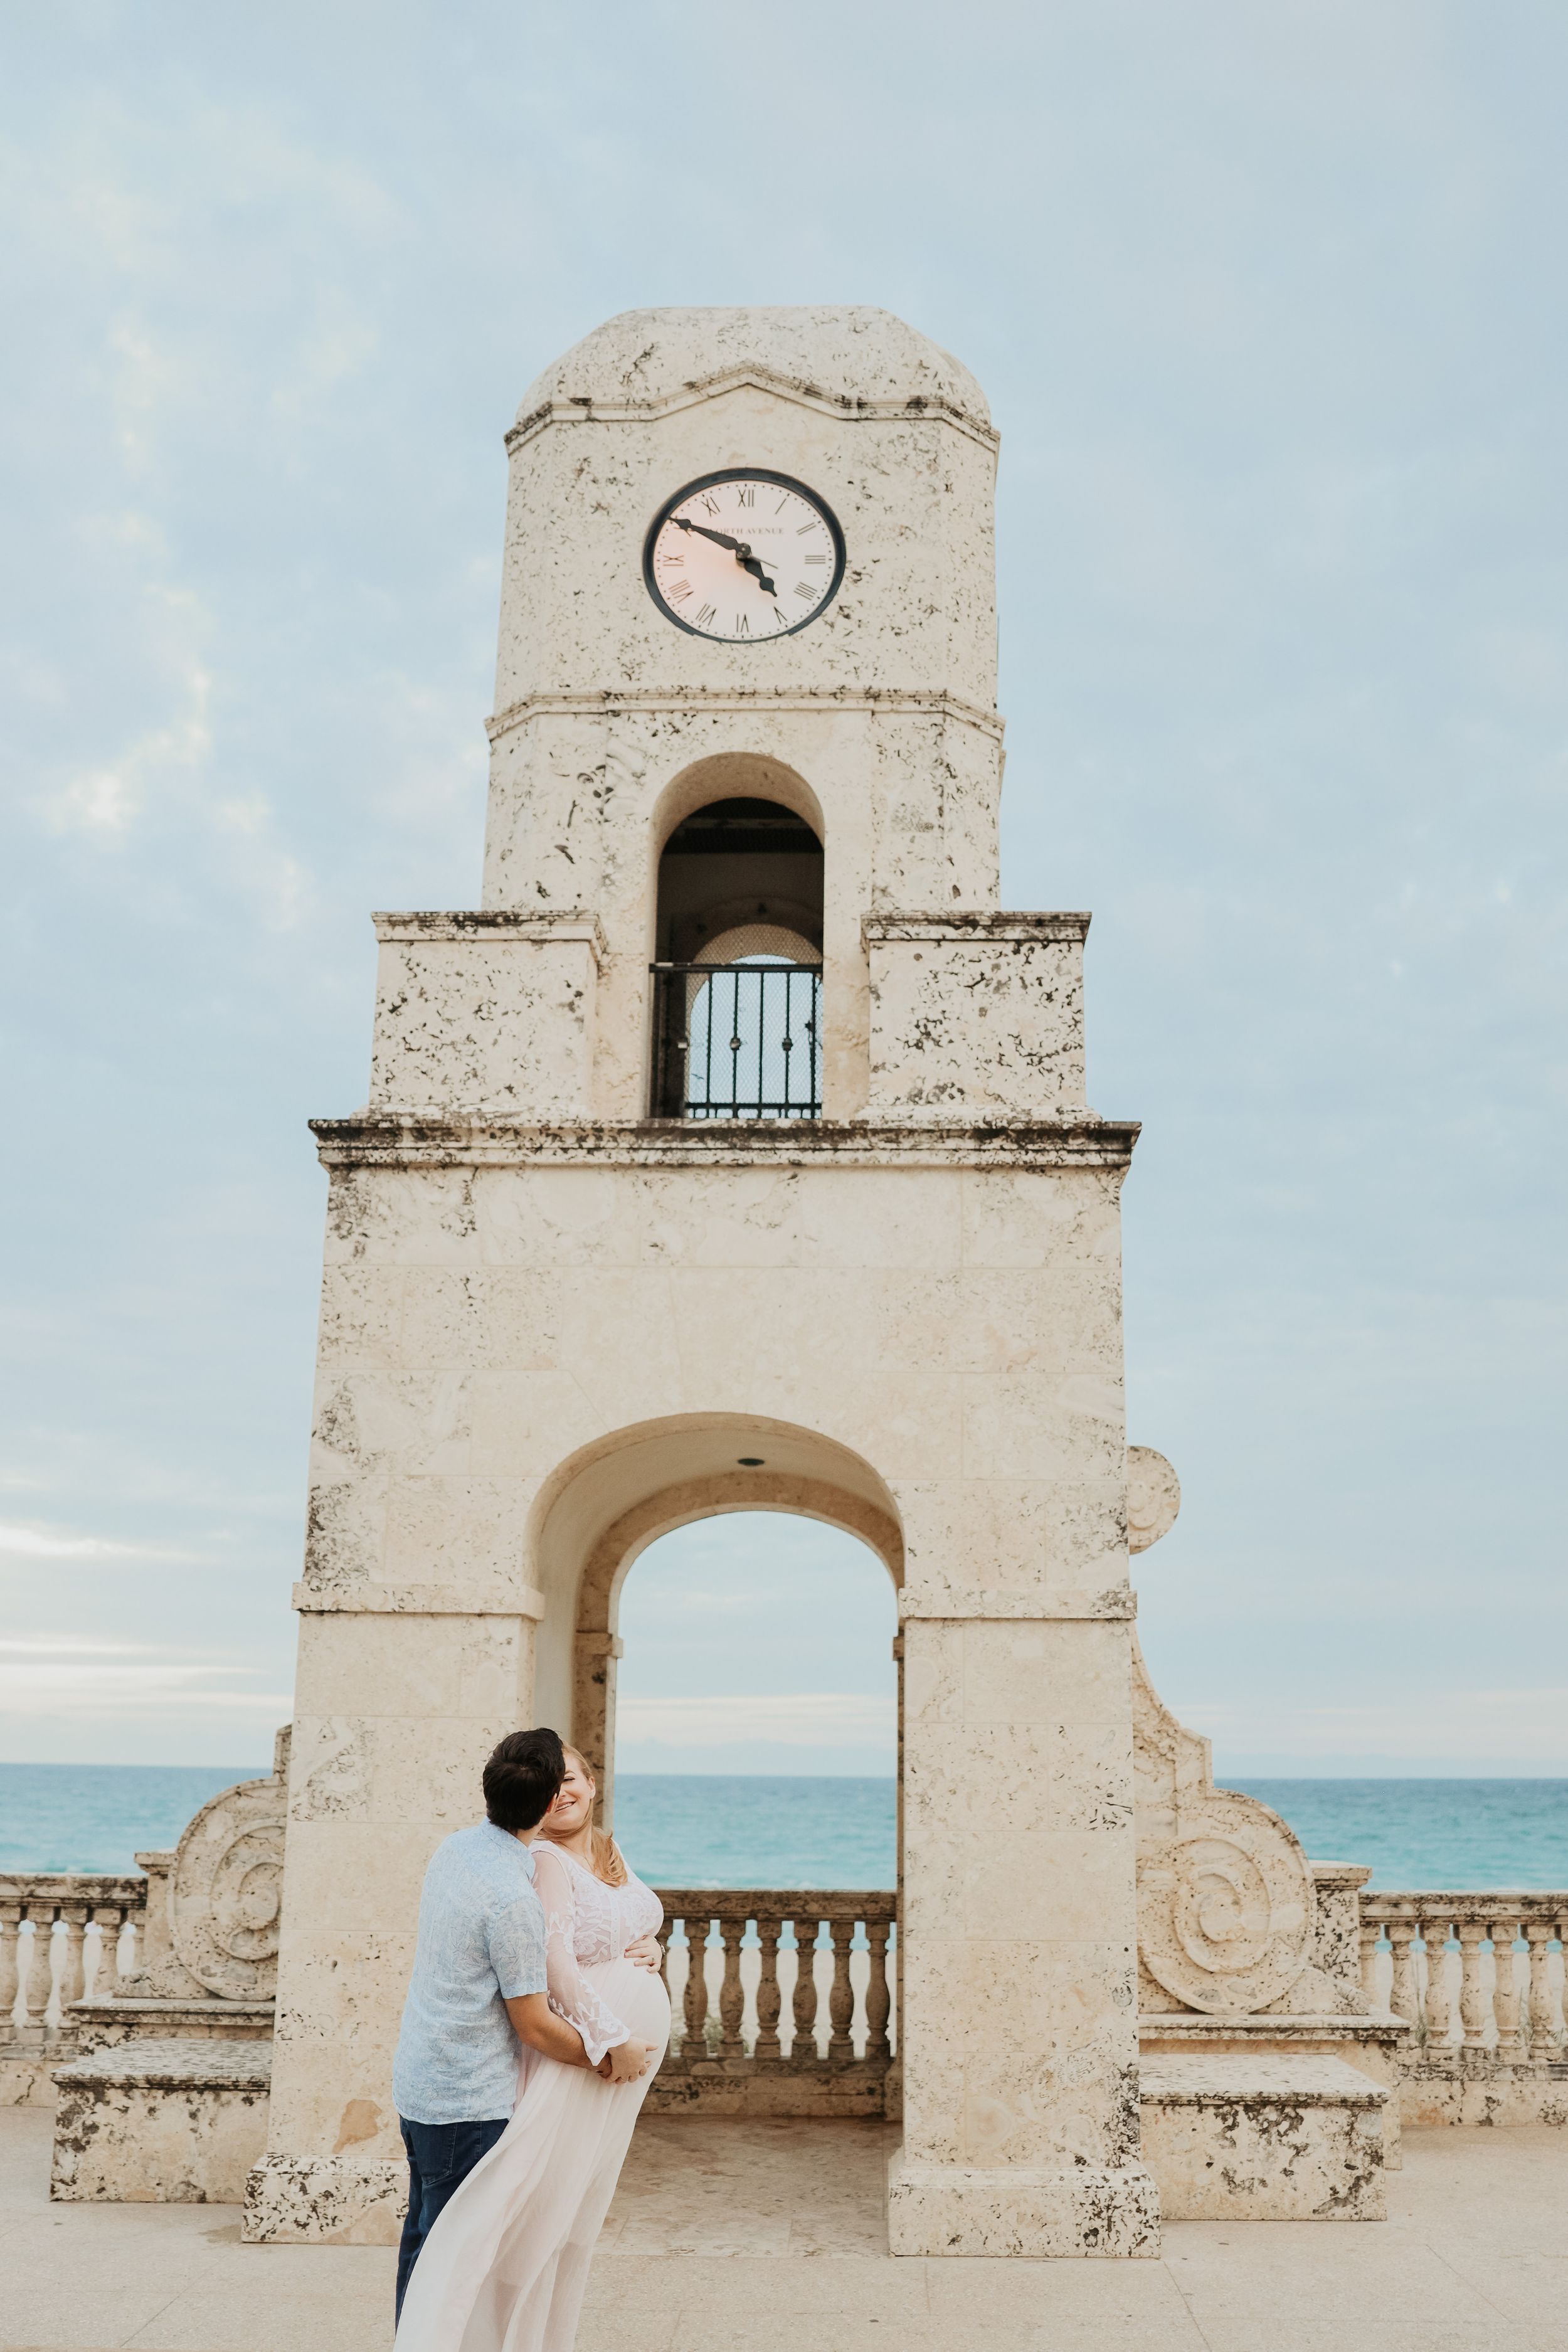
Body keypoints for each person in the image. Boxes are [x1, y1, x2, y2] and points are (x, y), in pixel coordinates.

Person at [393, 1742, 670, 2352]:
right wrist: (610, 2052)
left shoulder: (459, 1848)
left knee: (432, 2240)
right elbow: (536, 2023)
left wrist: (650, 1950)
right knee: (461, 2256)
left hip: (427, 2079)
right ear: (547, 1803)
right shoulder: (517, 1897)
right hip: (471, 2094)